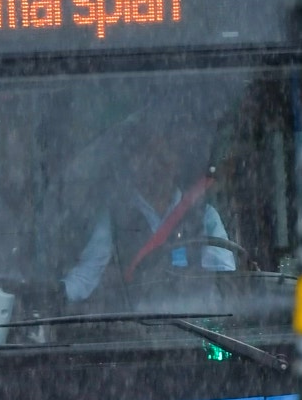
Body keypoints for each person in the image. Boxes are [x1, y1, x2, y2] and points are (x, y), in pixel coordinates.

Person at [62, 121, 235, 302]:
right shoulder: (114, 217)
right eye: (148, 157)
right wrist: (58, 293)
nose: (157, 167)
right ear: (133, 164)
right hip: (137, 326)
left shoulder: (205, 216)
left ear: (176, 162)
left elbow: (225, 280)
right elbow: (88, 274)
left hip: (196, 325)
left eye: (163, 157)